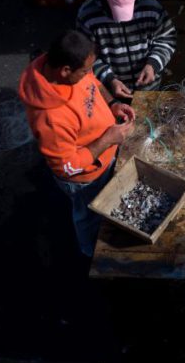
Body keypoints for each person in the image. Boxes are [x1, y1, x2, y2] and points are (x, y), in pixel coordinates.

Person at [18, 30, 135, 257]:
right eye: (83, 70)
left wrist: (112, 104)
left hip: (105, 155)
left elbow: (92, 83)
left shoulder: (70, 69)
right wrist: (107, 139)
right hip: (86, 177)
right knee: (88, 214)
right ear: (65, 71)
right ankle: (89, 251)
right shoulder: (50, 118)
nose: (88, 73)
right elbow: (66, 166)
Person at [77, 0, 176, 100]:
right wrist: (109, 79)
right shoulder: (87, 15)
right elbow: (86, 56)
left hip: (149, 88)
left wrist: (153, 64)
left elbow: (167, 40)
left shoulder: (151, 7)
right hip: (111, 89)